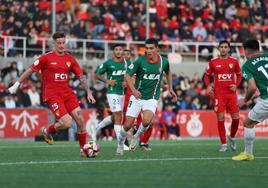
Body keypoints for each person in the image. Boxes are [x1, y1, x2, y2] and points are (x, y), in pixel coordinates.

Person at [8, 32, 96, 157]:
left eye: (63, 43)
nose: (61, 45)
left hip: (67, 93)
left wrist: (88, 92)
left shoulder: (70, 59)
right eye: (59, 43)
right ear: (54, 43)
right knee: (67, 123)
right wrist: (17, 84)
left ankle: (83, 150)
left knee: (81, 121)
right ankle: (47, 130)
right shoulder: (46, 57)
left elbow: (81, 77)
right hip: (52, 95)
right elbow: (30, 69)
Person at [116, 38, 177, 155]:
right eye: (147, 48)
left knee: (147, 121)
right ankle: (120, 143)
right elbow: (127, 75)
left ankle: (136, 137)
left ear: (157, 49)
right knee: (128, 124)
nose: (149, 51)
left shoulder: (164, 61)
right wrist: (133, 90)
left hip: (152, 97)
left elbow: (168, 72)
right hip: (137, 97)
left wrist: (170, 88)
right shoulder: (140, 61)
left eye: (151, 48)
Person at [232, 39, 268, 161]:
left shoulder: (247, 65)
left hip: (267, 100)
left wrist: (245, 100)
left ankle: (248, 154)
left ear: (247, 51)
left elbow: (252, 87)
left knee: (248, 123)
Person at [204, 40, 242, 152]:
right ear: (219, 49)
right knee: (220, 118)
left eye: (226, 47)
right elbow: (206, 76)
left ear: (229, 49)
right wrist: (208, 86)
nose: (223, 49)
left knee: (236, 119)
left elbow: (239, 76)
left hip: (231, 95)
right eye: (221, 47)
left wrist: (236, 85)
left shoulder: (234, 62)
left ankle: (232, 137)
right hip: (219, 95)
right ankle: (224, 144)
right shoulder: (213, 62)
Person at [95, 44, 130, 144]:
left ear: (122, 51)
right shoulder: (108, 63)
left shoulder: (127, 63)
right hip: (112, 92)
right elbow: (97, 75)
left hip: (122, 93)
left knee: (116, 116)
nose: (118, 51)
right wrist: (107, 81)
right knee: (118, 114)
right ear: (113, 51)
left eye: (120, 49)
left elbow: (133, 76)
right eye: (116, 49)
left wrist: (127, 82)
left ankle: (99, 126)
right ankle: (121, 143)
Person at [122, 48, 153, 151]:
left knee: (148, 121)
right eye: (124, 54)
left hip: (144, 97)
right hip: (130, 98)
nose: (126, 56)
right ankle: (124, 142)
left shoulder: (139, 65)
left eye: (127, 54)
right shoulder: (123, 66)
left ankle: (143, 142)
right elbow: (124, 81)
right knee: (128, 123)